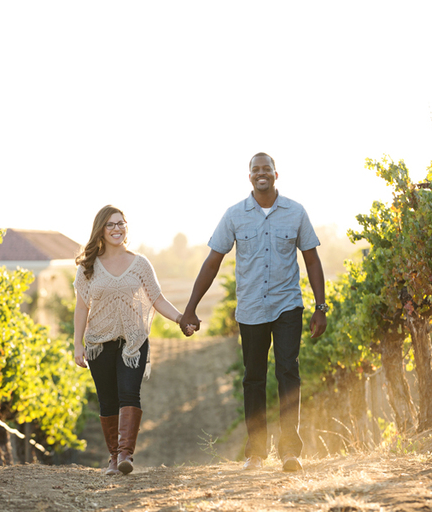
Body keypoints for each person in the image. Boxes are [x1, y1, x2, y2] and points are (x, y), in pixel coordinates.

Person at [179, 152, 327, 472]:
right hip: (251, 309)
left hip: (288, 304)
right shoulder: (235, 215)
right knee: (253, 378)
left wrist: (320, 307)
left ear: (276, 174)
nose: (262, 174)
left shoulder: (296, 212)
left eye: (267, 169)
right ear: (250, 177)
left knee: (288, 372)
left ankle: (290, 451)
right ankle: (256, 452)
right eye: (255, 170)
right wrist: (190, 308)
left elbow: (312, 260)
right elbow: (213, 261)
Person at [73, 205, 195, 476]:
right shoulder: (88, 267)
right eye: (111, 225)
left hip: (133, 342)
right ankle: (113, 458)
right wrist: (77, 344)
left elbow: (157, 299)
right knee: (107, 400)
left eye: (121, 223)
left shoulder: (140, 264)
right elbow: (81, 308)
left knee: (129, 393)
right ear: (101, 231)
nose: (117, 229)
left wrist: (180, 319)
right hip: (98, 344)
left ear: (126, 227)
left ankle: (126, 454)